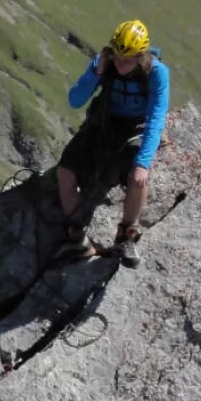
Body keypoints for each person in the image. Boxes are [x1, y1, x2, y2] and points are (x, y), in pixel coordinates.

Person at [54, 19, 170, 268]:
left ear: (141, 56)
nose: (119, 64)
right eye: (116, 57)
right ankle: (76, 238)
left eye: (126, 59)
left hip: (135, 128)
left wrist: (143, 163)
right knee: (65, 171)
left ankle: (125, 237)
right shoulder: (105, 63)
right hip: (103, 124)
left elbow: (156, 117)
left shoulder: (157, 73)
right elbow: (75, 100)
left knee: (138, 178)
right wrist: (97, 71)